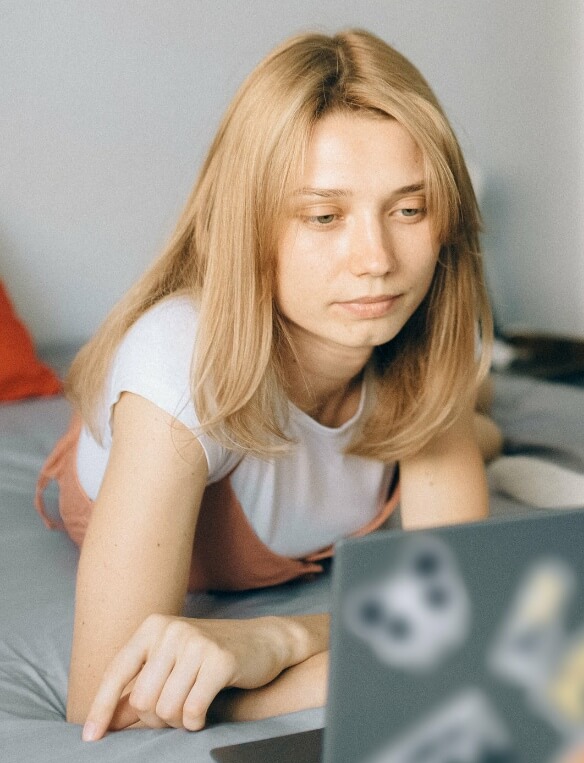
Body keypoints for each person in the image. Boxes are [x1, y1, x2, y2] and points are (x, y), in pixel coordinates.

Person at [33, 28, 501, 740]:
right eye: (323, 216)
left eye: (409, 209)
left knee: (473, 410)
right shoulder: (179, 373)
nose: (376, 260)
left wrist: (279, 640)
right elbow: (108, 695)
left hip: (338, 448)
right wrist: (240, 693)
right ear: (251, 225)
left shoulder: (427, 326)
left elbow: (460, 611)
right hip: (174, 447)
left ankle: (488, 425)